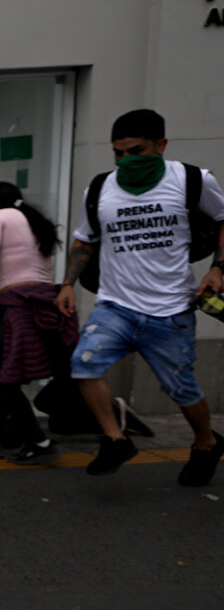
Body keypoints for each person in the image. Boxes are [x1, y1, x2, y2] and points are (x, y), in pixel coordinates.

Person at [57, 109, 224, 484]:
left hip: (172, 310)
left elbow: (222, 218)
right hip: (116, 306)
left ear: (161, 145)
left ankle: (206, 442)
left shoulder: (193, 180)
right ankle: (115, 440)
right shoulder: (100, 189)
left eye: (137, 150)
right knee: (84, 363)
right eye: (118, 153)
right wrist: (68, 283)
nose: (126, 160)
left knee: (181, 390)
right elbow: (85, 239)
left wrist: (218, 268)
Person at [0, 182, 78, 464]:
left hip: (17, 307)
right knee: (2, 375)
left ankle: (40, 442)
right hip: (42, 304)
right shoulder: (35, 222)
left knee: (4, 378)